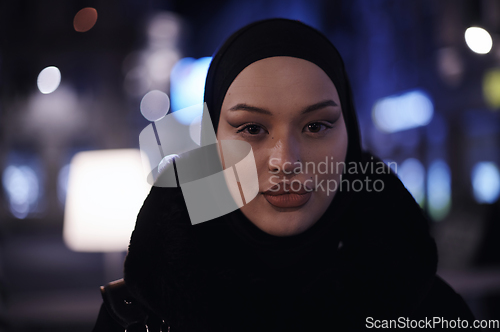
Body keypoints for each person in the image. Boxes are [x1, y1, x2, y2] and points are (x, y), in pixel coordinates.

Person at [92, 18, 477, 331]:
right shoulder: (137, 317)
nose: (285, 161)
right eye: (251, 129)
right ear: (211, 144)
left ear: (351, 134)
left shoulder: (429, 312)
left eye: (316, 126)